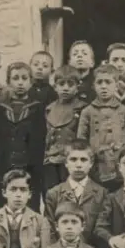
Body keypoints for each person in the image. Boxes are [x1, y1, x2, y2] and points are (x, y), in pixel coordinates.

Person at [77, 64, 125, 192]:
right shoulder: (87, 112)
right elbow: (81, 142)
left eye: (108, 82)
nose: (103, 86)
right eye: (99, 82)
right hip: (96, 168)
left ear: (116, 85)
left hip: (119, 167)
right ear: (94, 86)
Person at [0, 62, 44, 211]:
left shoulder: (37, 107)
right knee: (4, 202)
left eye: (24, 78)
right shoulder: (0, 108)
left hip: (30, 164)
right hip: (6, 162)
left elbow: (40, 138)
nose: (20, 82)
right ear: (8, 82)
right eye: (15, 78)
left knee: (30, 202)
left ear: (31, 82)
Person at [43, 139, 107, 248]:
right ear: (66, 163)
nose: (78, 165)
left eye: (83, 160)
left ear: (91, 163)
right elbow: (50, 231)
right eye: (73, 159)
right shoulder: (54, 193)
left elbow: (101, 229)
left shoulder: (102, 193)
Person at [42, 66, 87, 195]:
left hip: (71, 161)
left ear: (77, 87)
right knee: (51, 194)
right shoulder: (49, 109)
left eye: (70, 84)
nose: (65, 88)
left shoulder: (81, 108)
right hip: (50, 160)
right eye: (61, 84)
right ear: (55, 86)